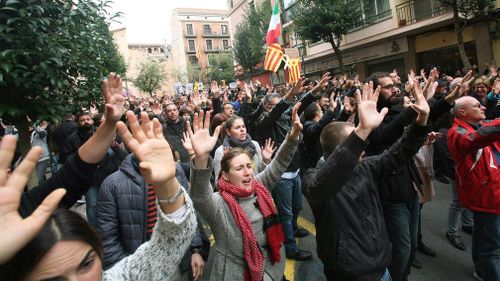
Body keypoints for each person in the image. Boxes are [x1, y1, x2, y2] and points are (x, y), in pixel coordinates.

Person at [0, 110, 197, 281]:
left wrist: (167, 184)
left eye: (86, 264)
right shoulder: (113, 184)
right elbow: (108, 235)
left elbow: (169, 244)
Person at [303, 81, 429, 281]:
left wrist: (422, 118)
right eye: (358, 143)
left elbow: (400, 151)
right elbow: (322, 186)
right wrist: (361, 130)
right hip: (349, 273)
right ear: (341, 150)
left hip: (382, 267)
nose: (364, 147)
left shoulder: (366, 166)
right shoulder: (312, 178)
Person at [188, 103, 302, 280]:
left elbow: (278, 164)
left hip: (273, 268)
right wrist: (201, 158)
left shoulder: (258, 184)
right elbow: (199, 196)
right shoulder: (218, 203)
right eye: (239, 168)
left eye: (249, 166)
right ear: (224, 175)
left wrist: (293, 136)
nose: (248, 172)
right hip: (236, 274)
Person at [97, 149, 205, 280]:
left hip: (178, 262)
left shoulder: (174, 170)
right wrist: (130, 272)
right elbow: (107, 239)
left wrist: (195, 250)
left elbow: (187, 211)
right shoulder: (112, 184)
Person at [447, 94, 500, 281]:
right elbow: (474, 139)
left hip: (491, 192)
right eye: (478, 106)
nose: (483, 108)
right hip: (485, 196)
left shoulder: (477, 125)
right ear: (463, 112)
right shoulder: (457, 132)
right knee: (491, 248)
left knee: (482, 235)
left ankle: (480, 270)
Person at [213, 115, 275, 180]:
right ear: (228, 132)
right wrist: (227, 165)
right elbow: (218, 183)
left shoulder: (254, 145)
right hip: (236, 189)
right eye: (237, 128)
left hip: (257, 187)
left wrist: (265, 160)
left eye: (243, 126)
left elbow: (263, 173)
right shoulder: (221, 151)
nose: (242, 130)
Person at [31, 119, 50, 184]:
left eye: (45, 124)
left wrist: (32, 122)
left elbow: (39, 130)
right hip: (36, 158)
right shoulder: (34, 132)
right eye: (42, 124)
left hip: (43, 158)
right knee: (40, 178)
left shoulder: (44, 132)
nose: (43, 125)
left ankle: (43, 192)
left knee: (38, 179)